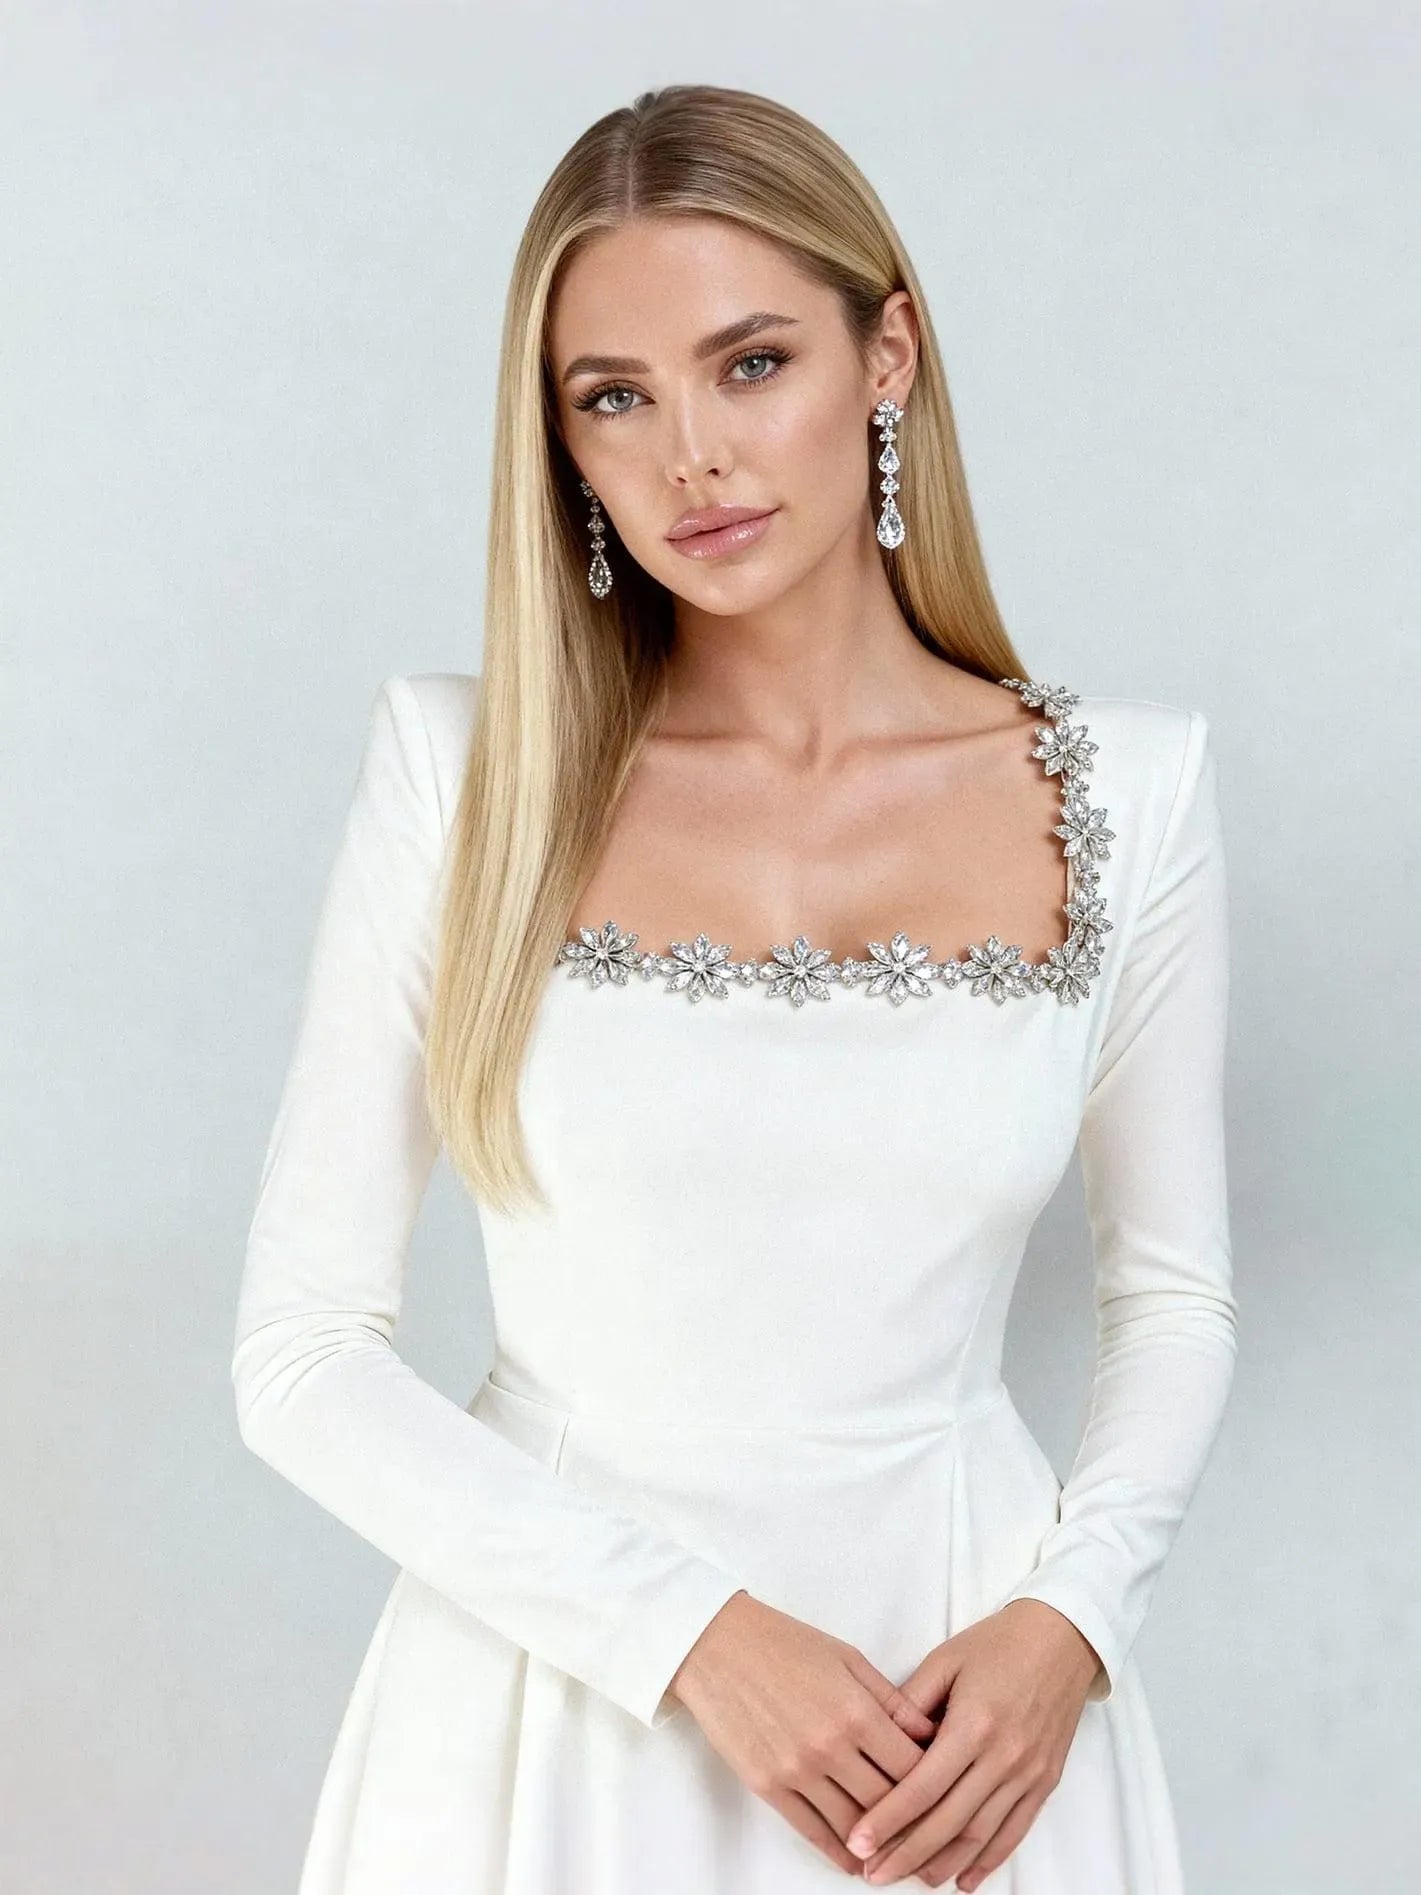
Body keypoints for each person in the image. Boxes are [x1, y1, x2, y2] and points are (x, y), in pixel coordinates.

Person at [231, 82, 1237, 1894]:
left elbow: (1169, 1297)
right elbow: (300, 1359)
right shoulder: (463, 781)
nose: (688, 455)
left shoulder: (1126, 795)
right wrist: (689, 1634)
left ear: (886, 356)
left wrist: (1068, 1629)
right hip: (548, 1708)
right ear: (560, 444)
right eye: (612, 396)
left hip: (965, 1719)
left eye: (750, 364)